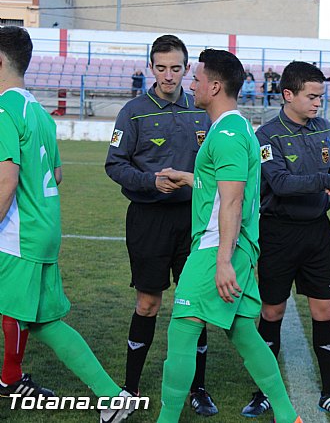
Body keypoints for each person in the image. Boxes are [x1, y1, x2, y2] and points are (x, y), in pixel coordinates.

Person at [155, 48, 302, 423]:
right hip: (236, 246)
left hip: (215, 248)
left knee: (183, 330)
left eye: (198, 79)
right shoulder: (234, 129)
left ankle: (166, 419)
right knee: (243, 334)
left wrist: (223, 261)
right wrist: (190, 177)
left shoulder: (229, 132)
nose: (192, 84)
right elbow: (224, 186)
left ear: (215, 86)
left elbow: (233, 200)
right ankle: (288, 416)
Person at [0, 25, 134, 422]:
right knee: (42, 321)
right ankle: (112, 397)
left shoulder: (5, 111)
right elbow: (55, 175)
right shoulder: (37, 111)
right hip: (43, 229)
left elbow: (7, 180)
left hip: (18, 234)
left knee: (23, 314)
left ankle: (10, 377)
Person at [105, 34, 217, 416]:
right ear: (150, 68)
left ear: (187, 70)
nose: (169, 76)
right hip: (148, 219)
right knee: (149, 303)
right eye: (161, 67)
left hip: (193, 220)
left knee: (194, 307)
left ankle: (198, 388)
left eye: (176, 68)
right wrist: (151, 181)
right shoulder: (133, 111)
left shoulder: (202, 111)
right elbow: (115, 165)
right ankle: (130, 388)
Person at [240, 61, 330, 420]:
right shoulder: (266, 136)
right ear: (288, 94)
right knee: (272, 310)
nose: (318, 103)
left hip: (316, 232)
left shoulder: (323, 128)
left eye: (321, 96)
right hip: (278, 233)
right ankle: (263, 391)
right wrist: (326, 182)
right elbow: (279, 183)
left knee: (324, 310)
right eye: (312, 96)